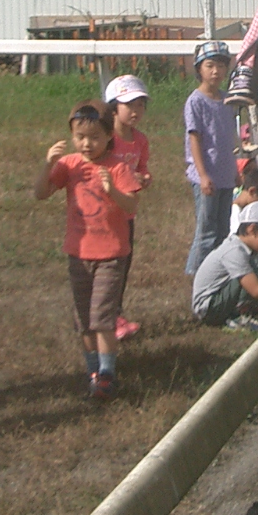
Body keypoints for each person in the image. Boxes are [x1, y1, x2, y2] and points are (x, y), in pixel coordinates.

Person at [34, 100, 143, 401]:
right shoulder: (69, 165)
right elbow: (40, 193)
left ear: (109, 136)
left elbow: (131, 205)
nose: (86, 144)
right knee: (84, 319)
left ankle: (107, 374)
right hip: (79, 253)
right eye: (80, 137)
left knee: (102, 318)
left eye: (94, 137)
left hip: (110, 254)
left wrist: (112, 191)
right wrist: (48, 164)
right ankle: (93, 370)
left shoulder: (117, 166)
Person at [183, 40, 238, 276]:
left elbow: (228, 138)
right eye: (210, 66)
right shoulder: (196, 101)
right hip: (207, 176)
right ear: (199, 69)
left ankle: (215, 274)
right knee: (206, 231)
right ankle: (196, 275)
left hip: (225, 174)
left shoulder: (227, 100)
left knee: (223, 229)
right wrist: (203, 175)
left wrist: (235, 169)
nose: (216, 71)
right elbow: (194, 139)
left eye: (221, 66)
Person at [105, 74, 152, 342]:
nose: (136, 111)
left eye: (140, 105)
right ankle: (106, 317)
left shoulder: (140, 140)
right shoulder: (105, 139)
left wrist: (144, 178)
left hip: (127, 213)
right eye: (129, 105)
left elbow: (142, 167)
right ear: (113, 108)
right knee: (108, 267)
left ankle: (116, 314)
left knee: (123, 265)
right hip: (105, 214)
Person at [192, 200, 258, 327]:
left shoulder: (251, 253)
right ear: (252, 229)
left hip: (221, 299)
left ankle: (248, 310)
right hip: (210, 307)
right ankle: (241, 315)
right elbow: (255, 290)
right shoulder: (234, 251)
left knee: (256, 266)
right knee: (250, 271)